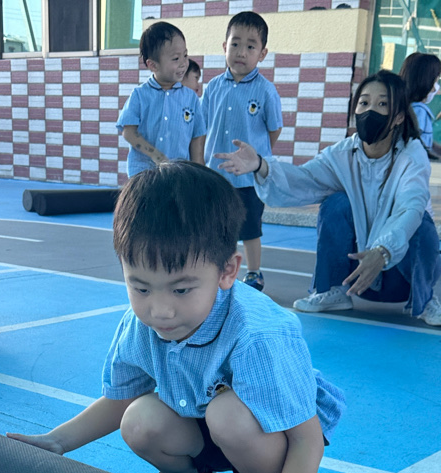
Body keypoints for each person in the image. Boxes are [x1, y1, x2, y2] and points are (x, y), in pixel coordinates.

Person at [8, 162, 345, 473]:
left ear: (228, 271)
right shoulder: (141, 325)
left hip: (266, 432)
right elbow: (120, 400)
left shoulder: (259, 335)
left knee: (228, 416)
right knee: (139, 420)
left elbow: (306, 439)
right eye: (141, 288)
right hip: (198, 421)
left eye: (181, 290)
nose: (161, 311)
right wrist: (56, 441)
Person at [216, 69, 441, 325]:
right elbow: (304, 179)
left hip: (401, 279)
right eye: (364, 103)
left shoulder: (412, 155)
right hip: (355, 274)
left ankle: (425, 301)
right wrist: (260, 165)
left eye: (382, 105)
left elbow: (409, 208)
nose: (370, 111)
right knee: (335, 204)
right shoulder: (344, 153)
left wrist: (383, 251)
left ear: (399, 116)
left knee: (420, 221)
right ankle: (332, 290)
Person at [202, 10, 283, 292]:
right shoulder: (213, 87)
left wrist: (254, 159)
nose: (241, 52)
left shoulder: (266, 91)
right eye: (235, 44)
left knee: (250, 229)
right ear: (224, 46)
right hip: (216, 175)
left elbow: (273, 130)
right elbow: (203, 126)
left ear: (262, 54)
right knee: (218, 226)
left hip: (249, 179)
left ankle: (254, 273)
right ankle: (219, 269)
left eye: (250, 46)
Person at [117, 22, 206, 177]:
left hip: (179, 175)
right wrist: (156, 155)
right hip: (144, 173)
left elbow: (197, 137)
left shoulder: (191, 98)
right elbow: (128, 132)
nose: (184, 63)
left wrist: (199, 174)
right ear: (153, 65)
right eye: (176, 58)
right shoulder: (140, 95)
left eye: (185, 55)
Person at [399, 51, 441, 155]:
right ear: (425, 82)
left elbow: (424, 141)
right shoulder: (418, 111)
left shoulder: (405, 107)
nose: (436, 88)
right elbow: (415, 144)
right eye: (435, 81)